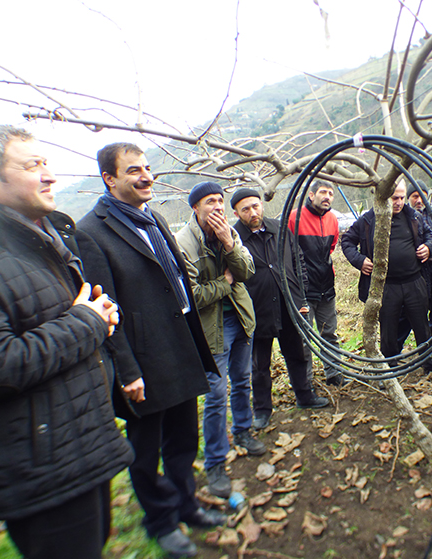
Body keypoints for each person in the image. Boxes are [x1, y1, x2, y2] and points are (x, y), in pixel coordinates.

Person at [0, 124, 134, 559]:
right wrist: (87, 322)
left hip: (79, 444)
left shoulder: (38, 238)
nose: (50, 175)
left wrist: (95, 319)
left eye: (47, 162)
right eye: (33, 165)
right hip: (42, 466)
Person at [76, 143, 225, 558]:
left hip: (179, 346)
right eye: (133, 171)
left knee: (182, 440)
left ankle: (187, 506)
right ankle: (160, 522)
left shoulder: (154, 217)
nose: (146, 177)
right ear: (110, 178)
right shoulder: (91, 232)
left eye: (147, 168)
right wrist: (127, 371)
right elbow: (108, 312)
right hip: (144, 358)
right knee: (144, 453)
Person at [175, 182, 266, 499]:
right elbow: (193, 296)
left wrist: (229, 244)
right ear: (195, 208)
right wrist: (226, 282)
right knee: (215, 395)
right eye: (208, 202)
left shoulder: (230, 232)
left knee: (242, 379)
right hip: (211, 328)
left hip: (242, 318)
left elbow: (247, 271)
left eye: (219, 201)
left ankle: (243, 431)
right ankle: (214, 461)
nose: (216, 207)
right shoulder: (183, 243)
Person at [231, 187, 329, 431]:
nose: (253, 212)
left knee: (297, 354)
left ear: (261, 205)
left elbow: (298, 261)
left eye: (255, 206)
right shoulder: (233, 238)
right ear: (236, 212)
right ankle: (263, 410)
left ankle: (305, 397)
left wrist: (302, 297)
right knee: (259, 364)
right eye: (246, 209)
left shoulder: (280, 228)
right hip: (257, 308)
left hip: (288, 304)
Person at [341, 181, 432, 379]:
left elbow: (431, 235)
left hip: (414, 281)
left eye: (401, 198)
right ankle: (389, 371)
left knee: (422, 326)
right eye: (394, 198)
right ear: (384, 197)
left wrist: (429, 247)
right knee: (388, 330)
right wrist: (359, 260)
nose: (398, 203)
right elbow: (346, 241)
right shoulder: (368, 220)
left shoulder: (413, 216)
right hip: (385, 286)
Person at [287, 180, 344, 387]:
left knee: (329, 333)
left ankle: (334, 373)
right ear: (311, 195)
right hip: (302, 288)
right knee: (303, 338)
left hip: (326, 286)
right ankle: (304, 382)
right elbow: (285, 252)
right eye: (322, 192)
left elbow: (331, 247)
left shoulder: (332, 219)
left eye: (330, 193)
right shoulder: (294, 217)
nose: (327, 196)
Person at [400, 180, 432, 350]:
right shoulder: (405, 218)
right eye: (415, 196)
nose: (419, 200)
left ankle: (431, 353)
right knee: (410, 313)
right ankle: (393, 355)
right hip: (416, 272)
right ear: (409, 198)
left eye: (422, 196)